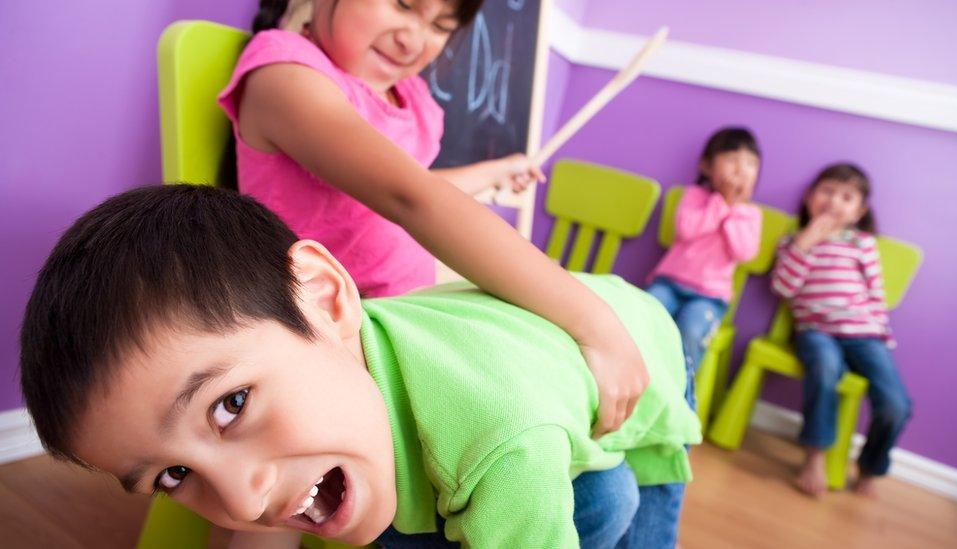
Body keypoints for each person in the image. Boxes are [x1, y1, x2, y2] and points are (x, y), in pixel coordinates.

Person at [20, 185, 702, 548]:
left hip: (639, 347)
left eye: (229, 405)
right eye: (174, 474)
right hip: (502, 349)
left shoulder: (504, 445)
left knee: (623, 507)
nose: (241, 500)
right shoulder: (312, 361)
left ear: (323, 295)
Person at [219, 0, 648, 457]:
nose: (413, 39)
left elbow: (392, 193)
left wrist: (494, 171)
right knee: (588, 476)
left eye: (441, 26)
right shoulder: (286, 75)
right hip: (332, 343)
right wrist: (595, 321)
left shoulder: (407, 98)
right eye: (403, 5)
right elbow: (408, 197)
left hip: (406, 320)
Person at [771, 163, 912, 497]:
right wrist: (806, 241)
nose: (834, 202)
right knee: (824, 368)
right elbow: (783, 288)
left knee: (896, 404)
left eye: (846, 197)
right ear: (809, 197)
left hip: (865, 335)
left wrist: (881, 335)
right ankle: (815, 456)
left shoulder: (861, 243)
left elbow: (876, 294)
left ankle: (870, 466)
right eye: (827, 191)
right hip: (816, 332)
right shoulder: (793, 241)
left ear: (858, 211)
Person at [645, 127, 763, 405]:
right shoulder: (694, 197)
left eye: (750, 163)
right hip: (668, 284)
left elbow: (743, 252)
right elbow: (688, 230)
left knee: (691, 330)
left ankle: (676, 399)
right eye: (732, 160)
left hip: (709, 297)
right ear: (707, 165)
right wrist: (720, 204)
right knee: (647, 312)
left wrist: (733, 208)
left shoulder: (750, 214)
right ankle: (636, 378)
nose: (741, 170)